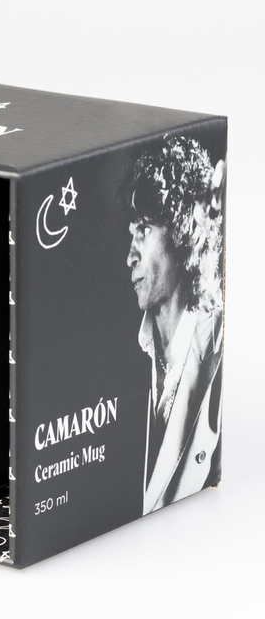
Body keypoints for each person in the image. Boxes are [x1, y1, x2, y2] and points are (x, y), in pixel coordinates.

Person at [125, 135, 225, 514]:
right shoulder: (131, 354)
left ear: (184, 229)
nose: (130, 256)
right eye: (131, 233)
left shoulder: (221, 347)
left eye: (144, 230)